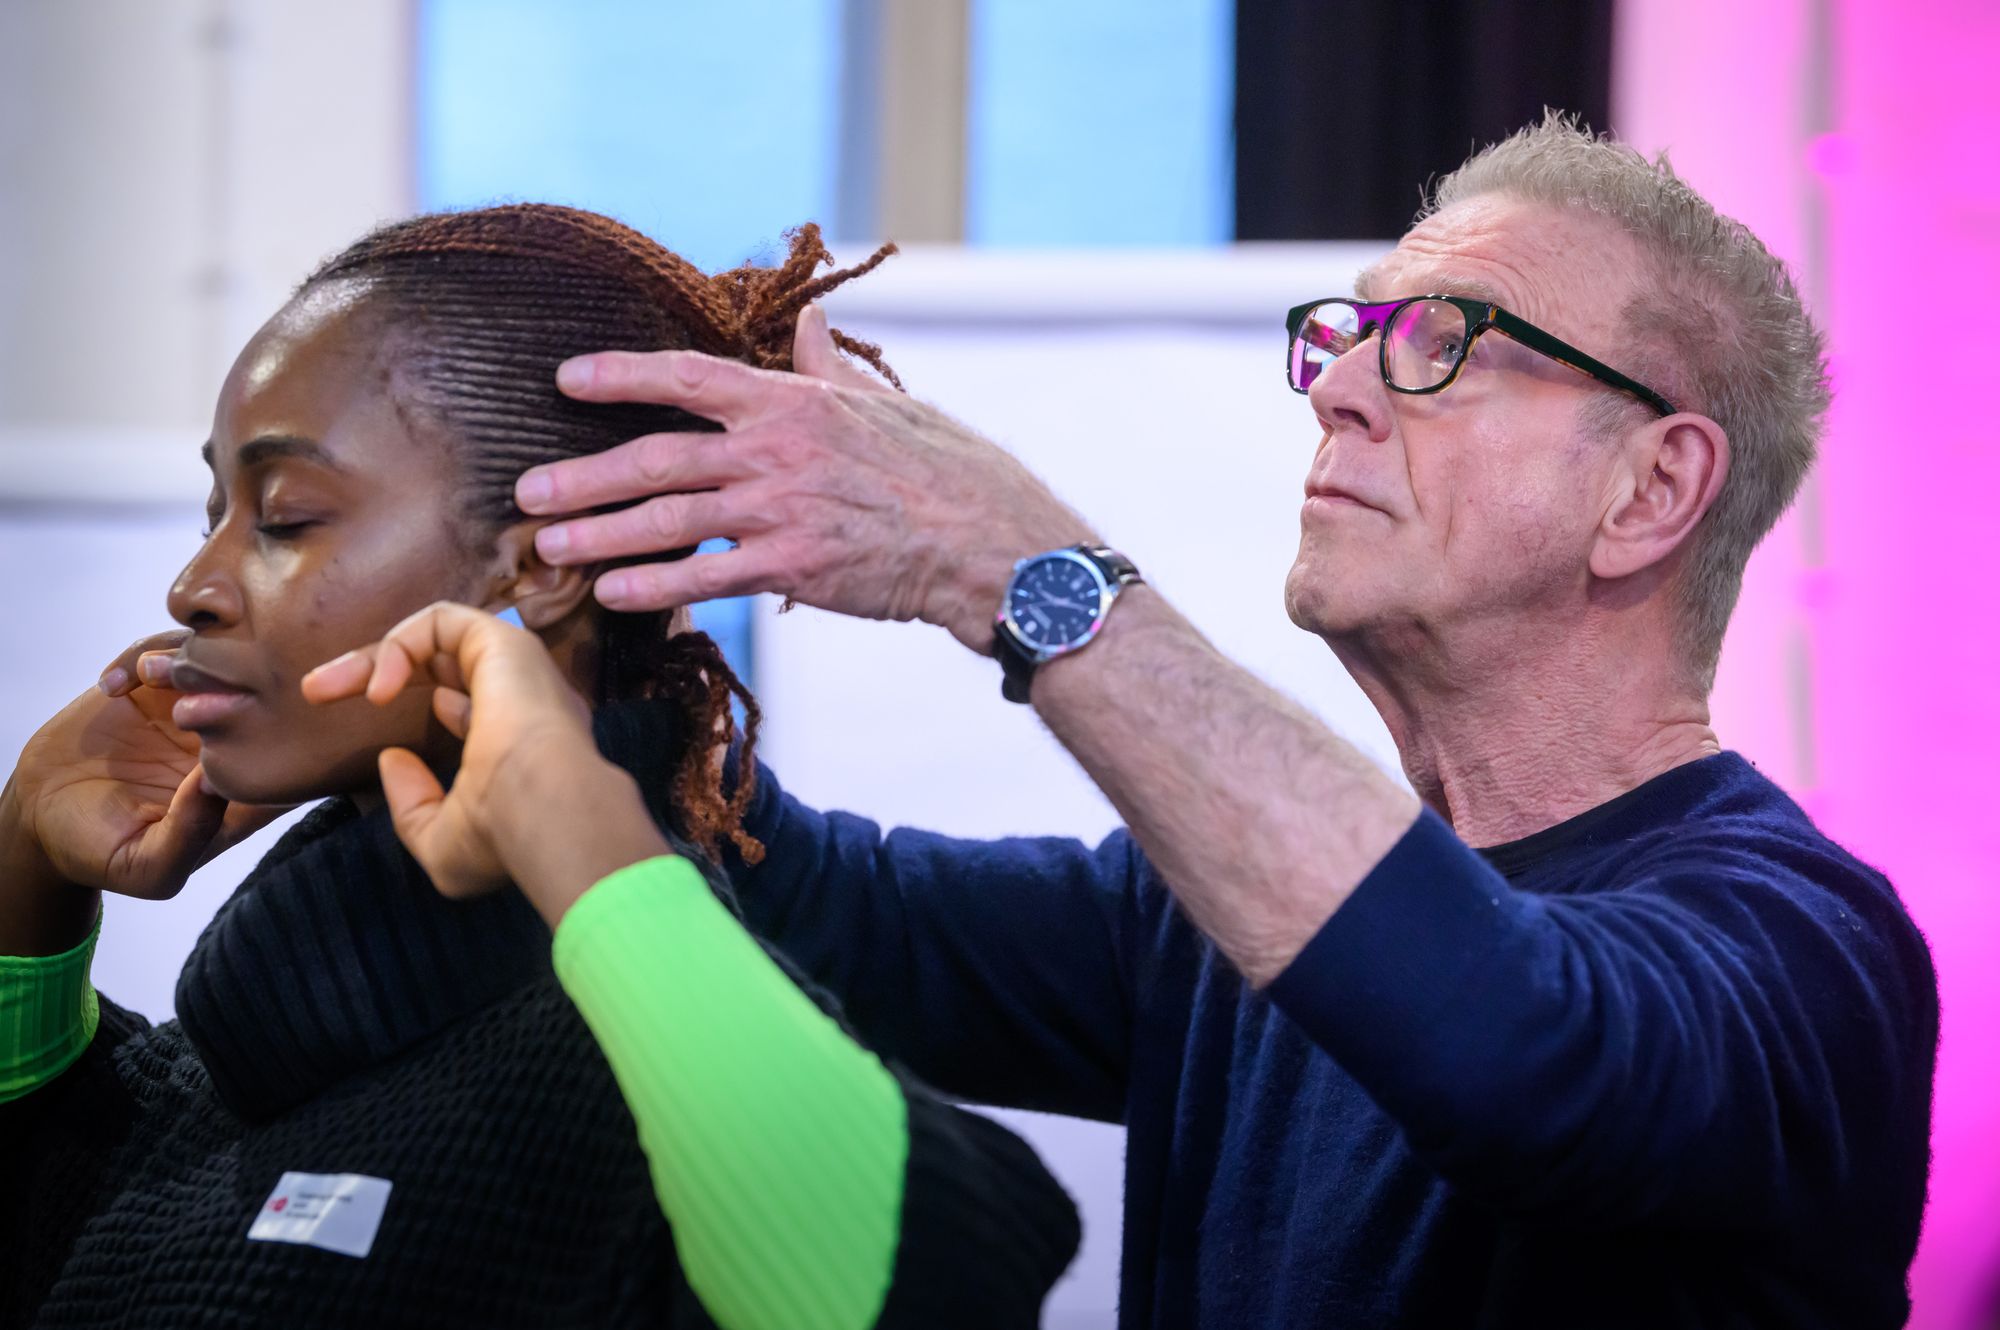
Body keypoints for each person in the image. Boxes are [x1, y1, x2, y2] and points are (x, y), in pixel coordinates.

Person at [509, 116, 1940, 1327]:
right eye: (1352, 332)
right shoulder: (1201, 923)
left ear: (1650, 490)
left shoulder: (1805, 950)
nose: (1343, 388)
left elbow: (1513, 1048)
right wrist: (604, 633)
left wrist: (1011, 562)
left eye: (1442, 341)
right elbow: (840, 918)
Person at [0, 205, 1078, 1329]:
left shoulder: (633, 1085)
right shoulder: (238, 1079)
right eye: (215, 510)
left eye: (283, 517)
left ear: (537, 572)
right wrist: (26, 852)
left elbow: (936, 1274)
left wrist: (582, 834)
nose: (194, 585)